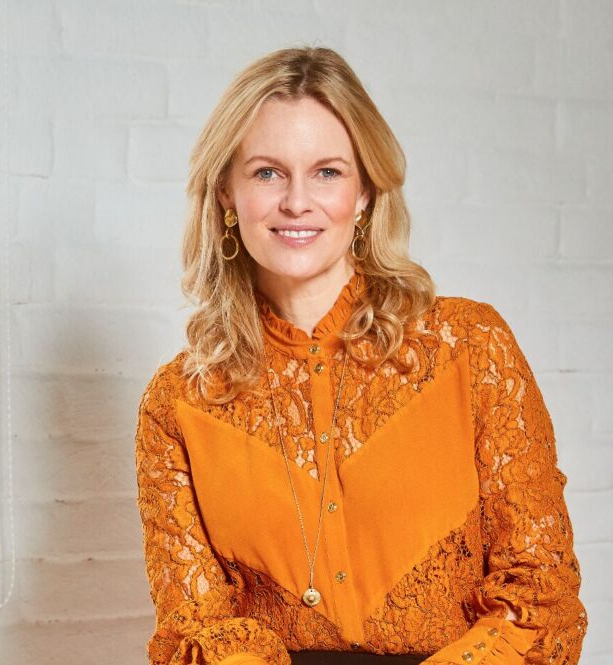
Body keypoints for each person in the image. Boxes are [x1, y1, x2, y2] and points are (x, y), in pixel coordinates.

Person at [133, 47, 587, 665]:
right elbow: (198, 631)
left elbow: (542, 598)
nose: (297, 201)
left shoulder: (472, 350)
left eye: (327, 172)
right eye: (267, 172)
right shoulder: (180, 405)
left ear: (367, 191)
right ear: (225, 194)